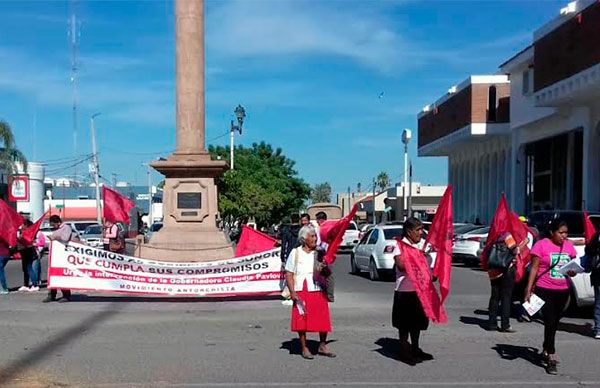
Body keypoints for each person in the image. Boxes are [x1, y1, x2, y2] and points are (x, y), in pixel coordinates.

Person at [524, 219, 577, 375]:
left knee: (554, 322)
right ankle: (550, 354)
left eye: (566, 233)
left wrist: (573, 271)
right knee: (550, 320)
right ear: (551, 232)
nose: (563, 236)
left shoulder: (569, 246)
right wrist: (528, 289)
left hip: (563, 289)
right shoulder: (541, 245)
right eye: (560, 232)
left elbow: (571, 266)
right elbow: (533, 269)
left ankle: (546, 348)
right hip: (544, 288)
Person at [284, 225, 335, 360]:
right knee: (302, 319)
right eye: (312, 236)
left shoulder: (320, 253)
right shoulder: (295, 252)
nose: (314, 239)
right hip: (301, 289)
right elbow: (289, 274)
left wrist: (324, 268)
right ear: (304, 238)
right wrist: (292, 292)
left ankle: (322, 345)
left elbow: (327, 273)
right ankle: (304, 347)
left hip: (317, 288)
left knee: (322, 317)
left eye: (315, 236)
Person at [391, 217, 434, 364]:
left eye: (422, 229)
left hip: (420, 290)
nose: (421, 233)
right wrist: (418, 257)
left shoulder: (422, 245)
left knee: (417, 323)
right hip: (405, 290)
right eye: (418, 230)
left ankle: (415, 348)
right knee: (404, 324)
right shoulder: (400, 245)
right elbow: (401, 265)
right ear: (409, 232)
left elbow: (428, 266)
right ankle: (404, 350)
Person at [486, 232, 520, 332]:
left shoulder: (492, 235)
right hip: (506, 269)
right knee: (506, 297)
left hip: (493, 270)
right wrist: (523, 243)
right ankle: (505, 325)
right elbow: (515, 250)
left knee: (494, 297)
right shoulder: (507, 236)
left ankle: (492, 324)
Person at [43, 215, 74, 303]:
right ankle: (51, 295)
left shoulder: (66, 228)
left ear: (58, 222)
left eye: (53, 224)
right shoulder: (57, 229)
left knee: (62, 275)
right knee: (52, 276)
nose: (53, 227)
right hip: (55, 256)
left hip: (63, 255)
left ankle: (66, 295)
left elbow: (66, 238)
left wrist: (56, 237)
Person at [583, 231, 600, 339]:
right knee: (599, 303)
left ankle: (598, 328)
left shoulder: (597, 235)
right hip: (598, 274)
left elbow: (588, 249)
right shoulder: (597, 236)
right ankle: (598, 328)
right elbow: (589, 250)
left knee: (599, 303)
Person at [17, 219, 40, 292]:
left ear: (26, 225)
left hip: (27, 250)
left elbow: (24, 240)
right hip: (23, 250)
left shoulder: (28, 232)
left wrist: (19, 237)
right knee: (25, 268)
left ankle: (35, 285)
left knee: (29, 267)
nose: (21, 225)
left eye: (23, 224)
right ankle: (26, 284)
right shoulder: (22, 231)